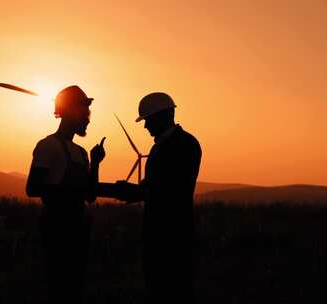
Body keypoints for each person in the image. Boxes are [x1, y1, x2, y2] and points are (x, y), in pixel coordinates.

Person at [115, 92, 201, 304]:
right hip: (156, 230)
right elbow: (152, 186)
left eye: (149, 120)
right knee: (157, 288)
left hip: (174, 231)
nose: (145, 127)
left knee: (175, 289)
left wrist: (135, 192)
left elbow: (172, 190)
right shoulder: (158, 148)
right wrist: (131, 191)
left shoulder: (186, 145)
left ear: (167, 114)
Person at [26, 85, 105, 303]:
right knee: (58, 285)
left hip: (78, 227)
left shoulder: (81, 153)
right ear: (70, 111)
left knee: (75, 286)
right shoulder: (47, 146)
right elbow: (32, 188)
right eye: (85, 112)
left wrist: (96, 163)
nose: (88, 119)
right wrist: (68, 193)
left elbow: (89, 196)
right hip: (57, 226)